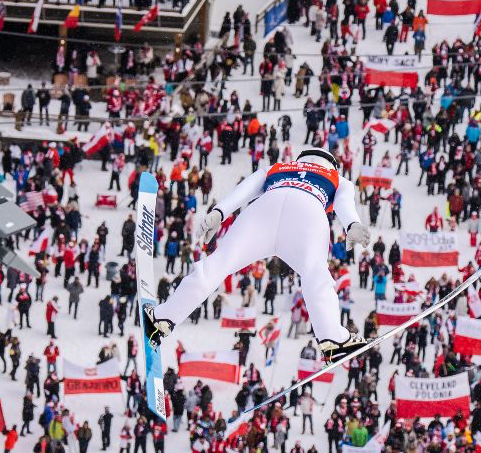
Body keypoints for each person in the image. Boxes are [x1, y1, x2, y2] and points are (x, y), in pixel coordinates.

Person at [145, 149, 371, 363]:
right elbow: (344, 201)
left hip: (265, 208)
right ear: (332, 164)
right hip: (309, 211)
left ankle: (164, 317)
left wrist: (219, 212)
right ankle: (332, 338)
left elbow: (245, 189)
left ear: (300, 159)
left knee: (218, 265)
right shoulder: (337, 177)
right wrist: (352, 223)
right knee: (316, 276)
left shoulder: (279, 166)